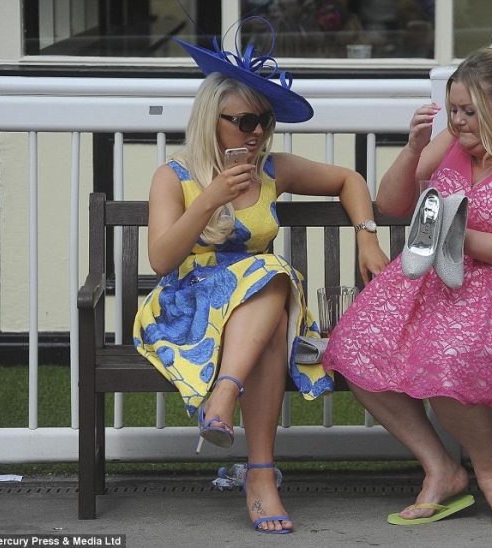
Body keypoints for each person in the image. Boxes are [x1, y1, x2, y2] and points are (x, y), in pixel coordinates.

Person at [322, 37, 492, 530]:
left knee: (450, 351)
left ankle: (490, 474)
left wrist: (459, 235)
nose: (457, 121)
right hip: (437, 284)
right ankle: (442, 469)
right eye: (452, 110)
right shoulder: (452, 141)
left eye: (469, 111)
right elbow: (393, 204)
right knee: (355, 345)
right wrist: (413, 150)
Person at [133, 20, 388, 534]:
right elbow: (160, 261)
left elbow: (349, 179)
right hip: (190, 308)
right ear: (213, 119)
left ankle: (239, 432)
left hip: (259, 306)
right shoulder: (174, 177)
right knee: (275, 281)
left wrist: (366, 234)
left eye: (265, 123)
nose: (256, 135)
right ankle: (259, 473)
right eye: (245, 122)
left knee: (271, 291)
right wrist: (210, 198)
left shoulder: (272, 170)